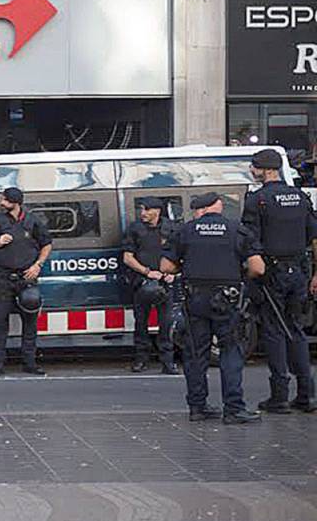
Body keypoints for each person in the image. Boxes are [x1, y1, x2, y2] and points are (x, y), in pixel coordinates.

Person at [160, 192, 265, 424]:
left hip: (195, 298)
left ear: (202, 209)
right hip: (227, 299)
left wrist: (185, 268)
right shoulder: (237, 230)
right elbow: (258, 268)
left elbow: (166, 266)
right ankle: (234, 409)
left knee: (196, 353)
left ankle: (198, 407)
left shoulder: (185, 231)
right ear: (218, 207)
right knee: (230, 351)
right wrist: (241, 277)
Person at [241, 148, 317, 413]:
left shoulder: (257, 199)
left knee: (274, 331)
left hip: (272, 273)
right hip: (299, 270)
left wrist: (252, 277)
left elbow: (250, 244)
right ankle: (307, 394)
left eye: (255, 166)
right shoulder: (300, 196)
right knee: (296, 330)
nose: (252, 170)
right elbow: (313, 236)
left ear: (267, 169)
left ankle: (280, 395)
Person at [0, 187, 52, 376]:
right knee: (0, 323)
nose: (2, 202)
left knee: (30, 323)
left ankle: (30, 363)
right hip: (2, 280)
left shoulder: (32, 221)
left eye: (5, 200)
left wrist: (37, 266)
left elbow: (47, 244)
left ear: (15, 202)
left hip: (26, 279)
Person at [121, 196, 179, 374]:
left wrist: (174, 273)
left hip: (166, 283)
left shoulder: (172, 229)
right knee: (141, 324)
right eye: (141, 209)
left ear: (157, 211)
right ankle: (141, 360)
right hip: (142, 282)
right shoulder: (135, 229)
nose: (142, 213)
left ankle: (168, 362)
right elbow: (127, 257)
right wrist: (147, 272)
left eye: (146, 210)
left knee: (166, 324)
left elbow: (182, 254)